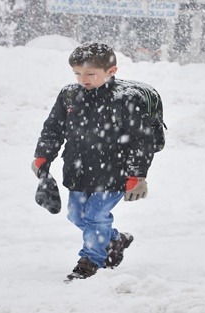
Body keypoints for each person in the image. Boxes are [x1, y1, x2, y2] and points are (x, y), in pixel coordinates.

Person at [32, 42, 158, 280]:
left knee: (95, 216)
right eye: (77, 73)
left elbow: (141, 140)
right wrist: (43, 156)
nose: (83, 79)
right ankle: (114, 239)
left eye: (90, 74)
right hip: (77, 169)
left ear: (112, 71)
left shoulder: (126, 99)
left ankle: (90, 260)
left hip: (114, 171)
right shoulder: (69, 95)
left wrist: (136, 175)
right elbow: (53, 128)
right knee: (76, 216)